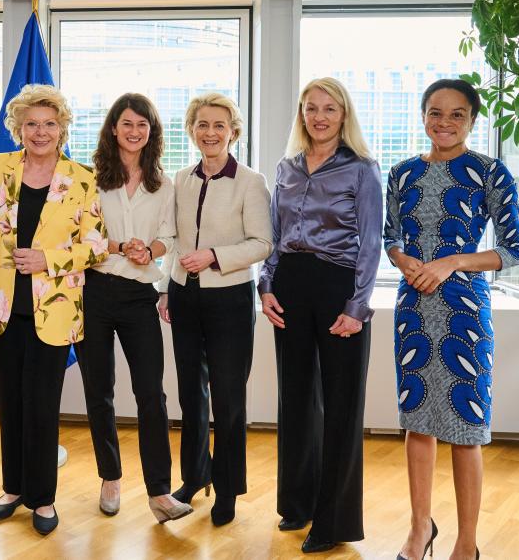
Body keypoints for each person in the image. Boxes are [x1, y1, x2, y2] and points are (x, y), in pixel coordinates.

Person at [385, 79, 519, 560]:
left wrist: (452, 262)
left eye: (456, 114)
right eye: (435, 112)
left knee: (467, 426)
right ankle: (420, 529)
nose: (444, 122)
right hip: (413, 310)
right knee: (417, 424)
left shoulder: (490, 172)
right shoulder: (400, 174)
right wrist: (405, 263)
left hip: (466, 312)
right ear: (422, 116)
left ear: (472, 120)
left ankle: (466, 541)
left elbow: (513, 248)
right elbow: (391, 238)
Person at [259, 77, 382, 554]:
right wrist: (265, 286)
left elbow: (370, 244)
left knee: (341, 405)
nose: (320, 116)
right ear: (302, 114)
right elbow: (275, 230)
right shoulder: (287, 167)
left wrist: (357, 307)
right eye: (311, 108)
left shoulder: (363, 170)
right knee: (295, 400)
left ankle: (334, 522)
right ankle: (298, 503)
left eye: (329, 108)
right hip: (290, 285)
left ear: (344, 114)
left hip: (338, 288)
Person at [0, 84, 109, 535]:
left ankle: (43, 498)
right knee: (11, 401)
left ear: (63, 128)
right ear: (17, 128)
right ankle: (13, 487)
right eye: (31, 123)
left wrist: (48, 260)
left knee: (42, 404)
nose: (40, 131)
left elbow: (97, 246)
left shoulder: (81, 177)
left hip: (54, 308)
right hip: (1, 307)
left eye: (49, 124)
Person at [158, 93, 272, 526]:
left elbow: (263, 243)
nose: (210, 132)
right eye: (202, 124)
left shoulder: (250, 181)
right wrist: (167, 288)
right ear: (192, 130)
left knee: (228, 400)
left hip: (230, 299)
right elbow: (173, 241)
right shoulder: (180, 179)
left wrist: (213, 256)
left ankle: (228, 490)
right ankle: (194, 476)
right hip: (184, 296)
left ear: (233, 132)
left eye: (219, 125)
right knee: (191, 395)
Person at [76, 92, 189, 524]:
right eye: (127, 123)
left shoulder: (164, 184)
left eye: (142, 124)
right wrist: (124, 246)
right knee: (99, 391)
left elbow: (169, 237)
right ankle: (110, 478)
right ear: (113, 128)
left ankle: (159, 492)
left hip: (140, 294)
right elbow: (81, 237)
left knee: (151, 394)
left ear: (151, 131)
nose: (134, 131)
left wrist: (150, 251)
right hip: (96, 294)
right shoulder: (90, 180)